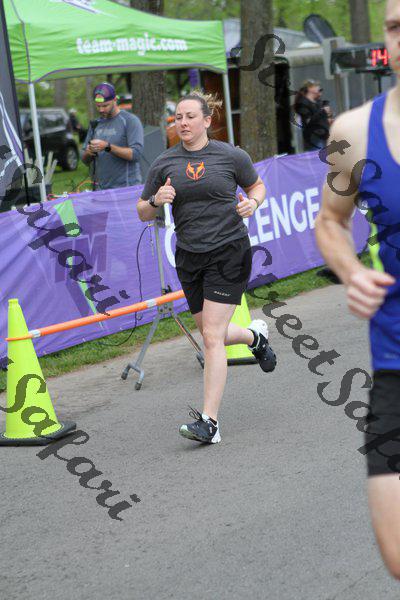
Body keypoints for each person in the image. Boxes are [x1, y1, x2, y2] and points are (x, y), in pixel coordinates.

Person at [136, 90, 276, 444]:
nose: (182, 123)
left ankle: (209, 423)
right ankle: (255, 337)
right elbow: (141, 211)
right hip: (189, 257)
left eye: (190, 117)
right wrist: (156, 199)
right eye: (178, 118)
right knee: (214, 334)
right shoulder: (165, 163)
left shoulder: (230, 156)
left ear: (207, 120)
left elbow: (257, 185)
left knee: (212, 337)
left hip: (229, 252)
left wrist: (253, 203)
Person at [315, 0, 400, 579]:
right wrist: (352, 272)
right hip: (396, 363)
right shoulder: (350, 132)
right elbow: (329, 220)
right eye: (394, 27)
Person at [82, 82, 144, 190]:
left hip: (126, 188)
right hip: (100, 189)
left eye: (105, 105)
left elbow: (136, 154)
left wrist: (108, 147)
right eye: (98, 106)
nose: (101, 110)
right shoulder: (95, 124)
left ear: (115, 100)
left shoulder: (129, 120)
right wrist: (88, 152)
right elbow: (84, 160)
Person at [294, 80, 333, 151]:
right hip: (314, 138)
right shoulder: (303, 103)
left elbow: (320, 118)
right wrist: (323, 112)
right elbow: (308, 121)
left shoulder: (318, 101)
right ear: (310, 88)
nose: (319, 88)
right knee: (317, 156)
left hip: (324, 136)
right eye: (316, 86)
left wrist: (328, 120)